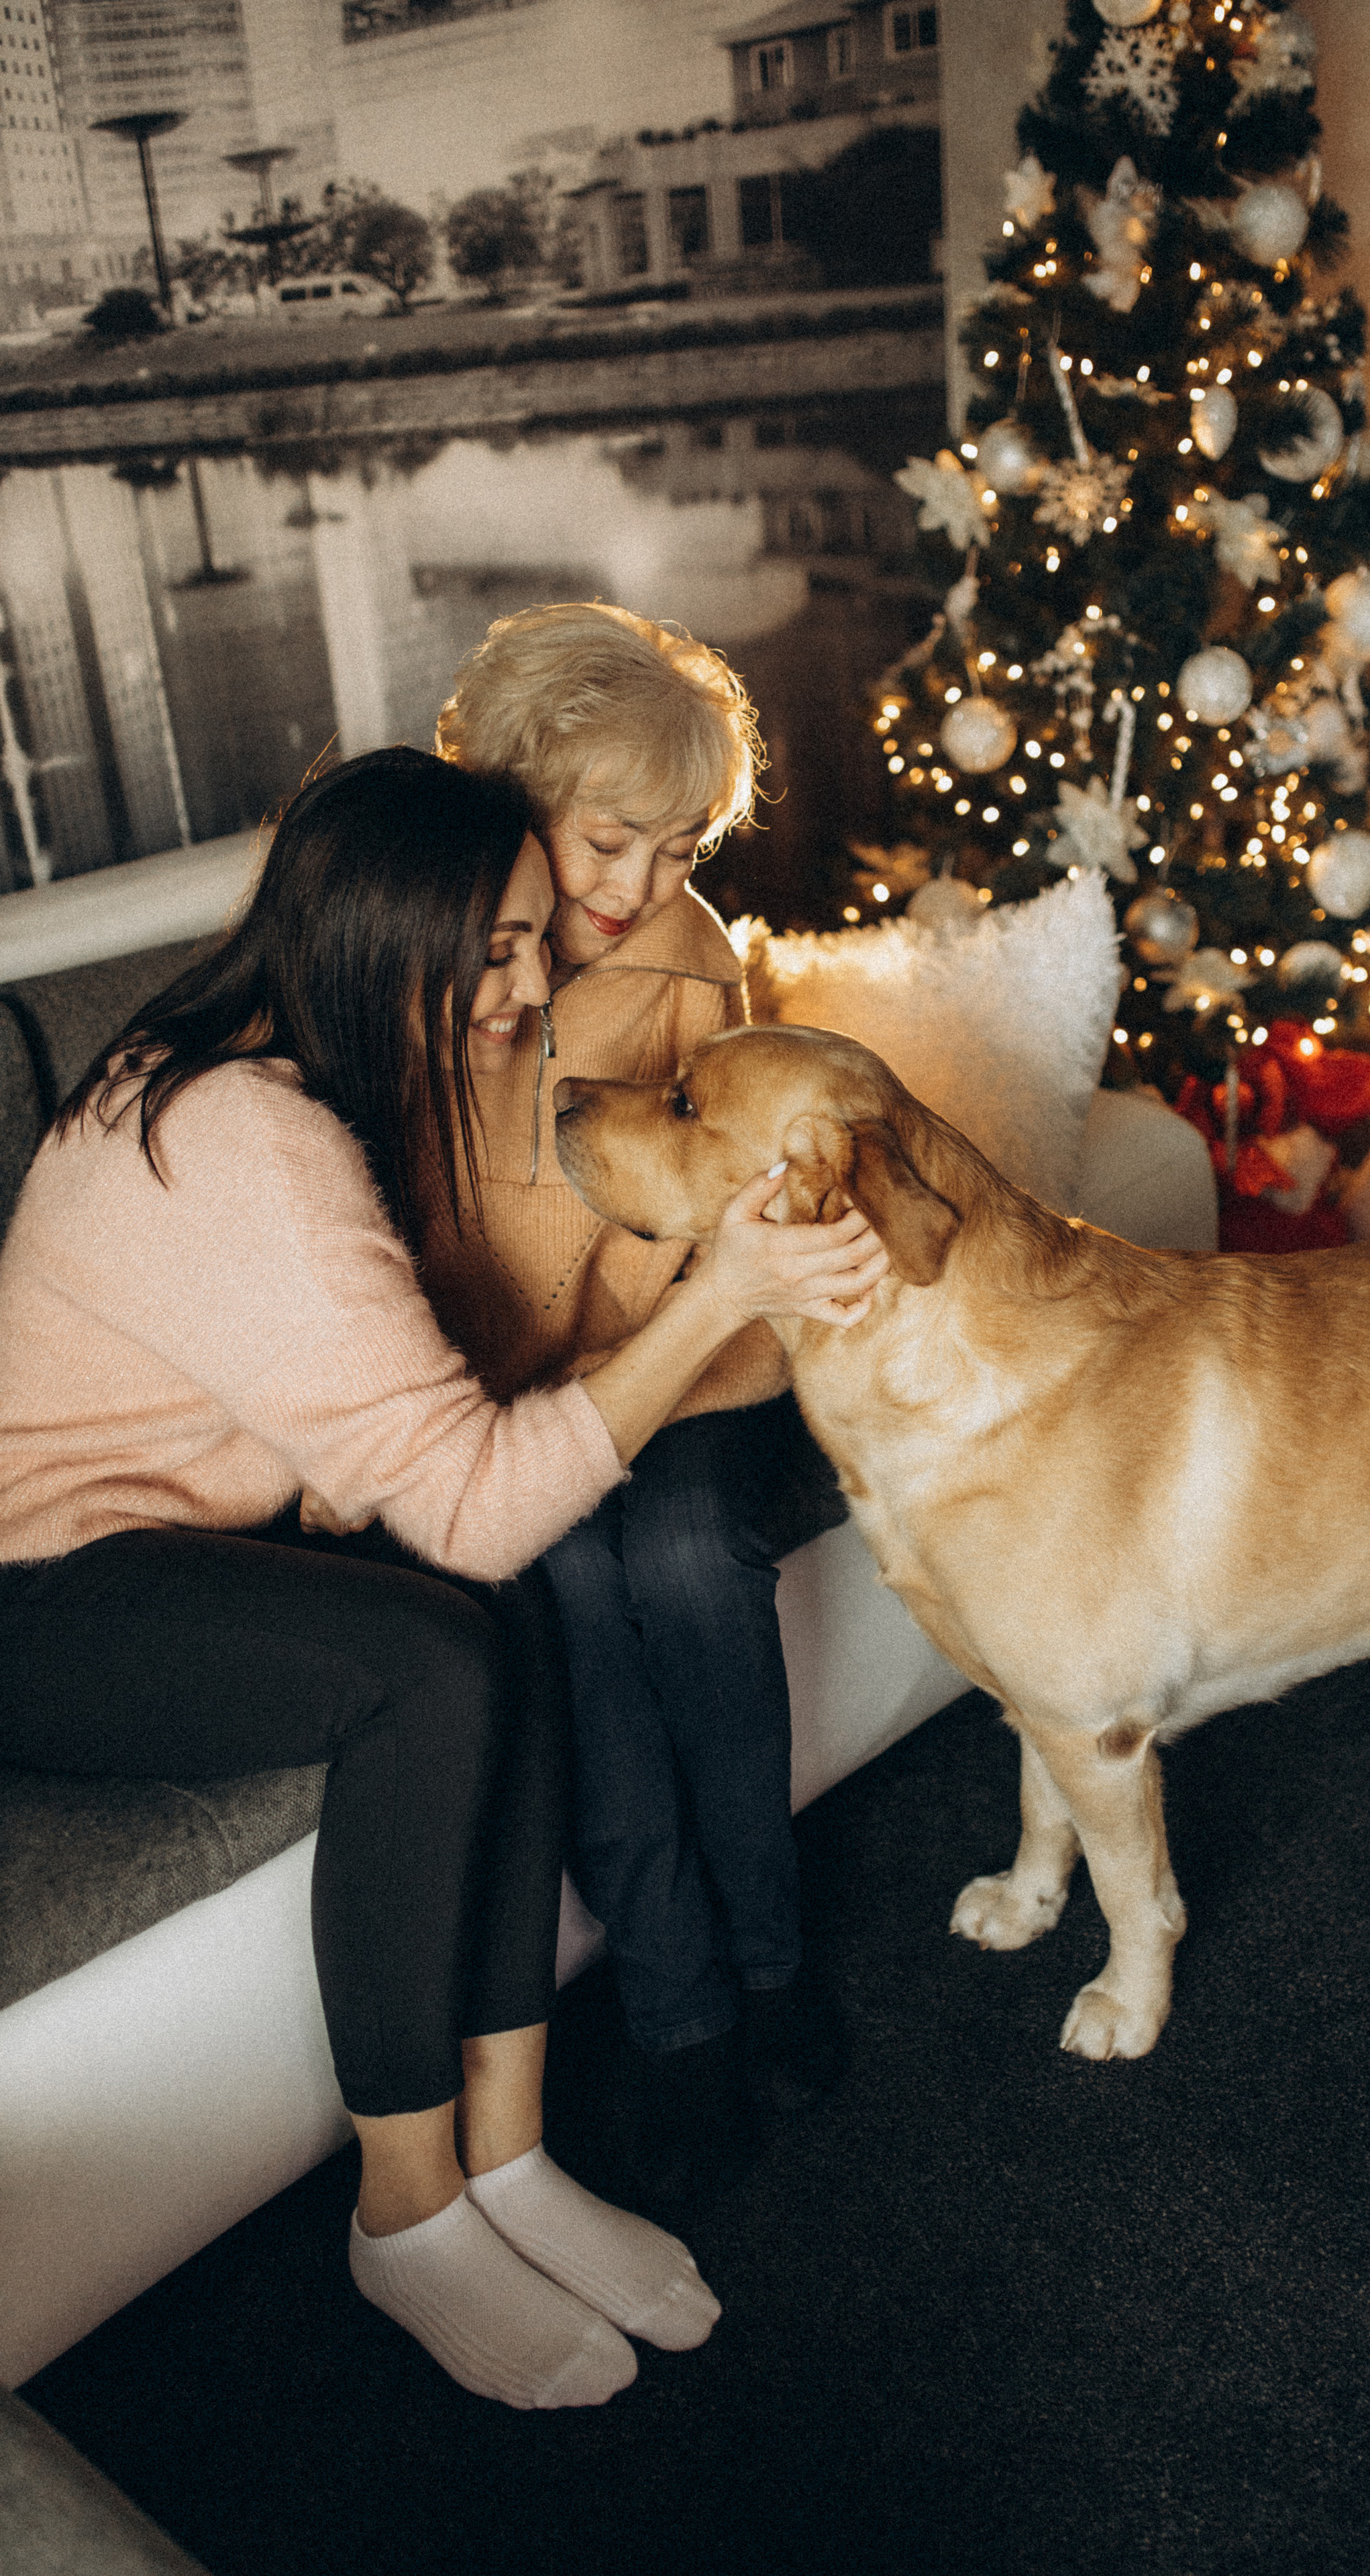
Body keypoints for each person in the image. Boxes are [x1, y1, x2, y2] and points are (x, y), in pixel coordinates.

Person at [0, 748, 884, 2409]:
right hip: (43, 1591)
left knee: (505, 1610)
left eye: (537, 940)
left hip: (188, 1535)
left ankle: (509, 2159)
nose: (529, 985)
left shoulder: (293, 1077)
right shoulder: (236, 1135)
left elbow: (369, 1436)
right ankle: (404, 2219)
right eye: (493, 949)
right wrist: (721, 1296)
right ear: (376, 933)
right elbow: (470, 1503)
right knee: (442, 1653)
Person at [429, 602, 847, 2202]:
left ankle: (771, 1953)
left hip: (684, 1360)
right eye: (608, 842)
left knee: (677, 1562)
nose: (634, 893)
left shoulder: (691, 959)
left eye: (676, 852)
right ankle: (674, 2014)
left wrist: (689, 1343)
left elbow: (736, 1189)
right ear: (511, 793)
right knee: (575, 1593)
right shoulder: (423, 934)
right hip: (494, 1391)